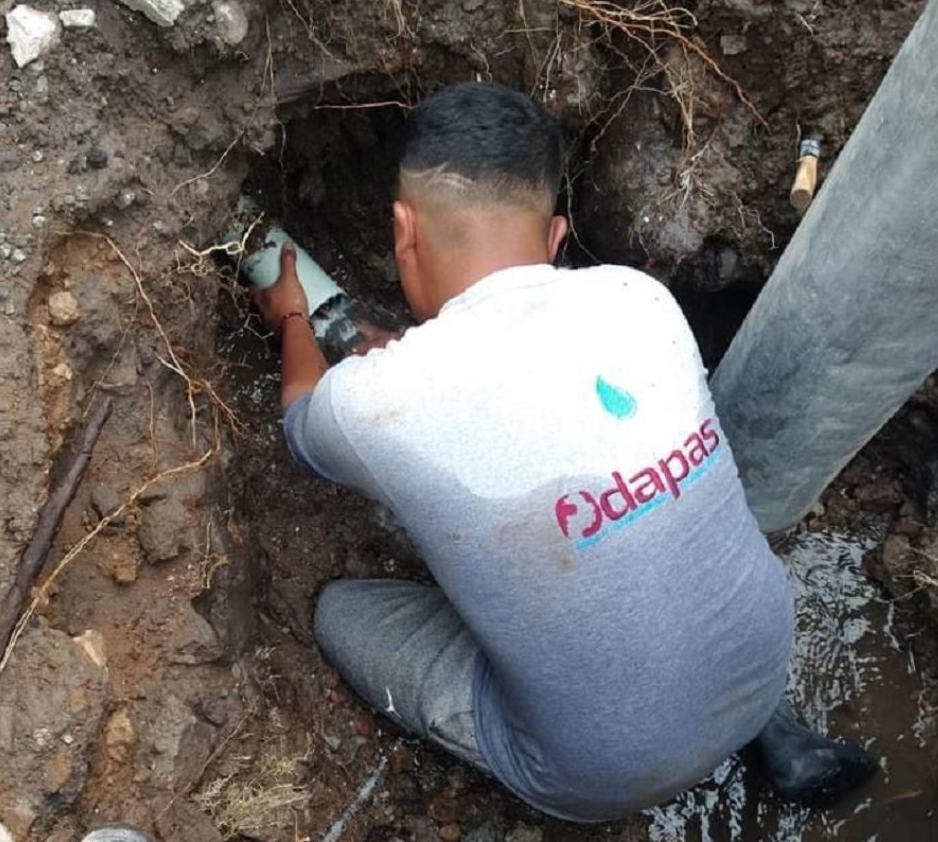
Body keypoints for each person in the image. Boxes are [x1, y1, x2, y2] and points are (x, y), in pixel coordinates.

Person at [249, 82, 877, 821]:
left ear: (402, 230)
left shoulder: (374, 402)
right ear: (553, 239)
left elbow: (301, 422)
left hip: (607, 772)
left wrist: (292, 317)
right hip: (761, 663)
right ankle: (761, 726)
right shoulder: (637, 301)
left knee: (342, 617)